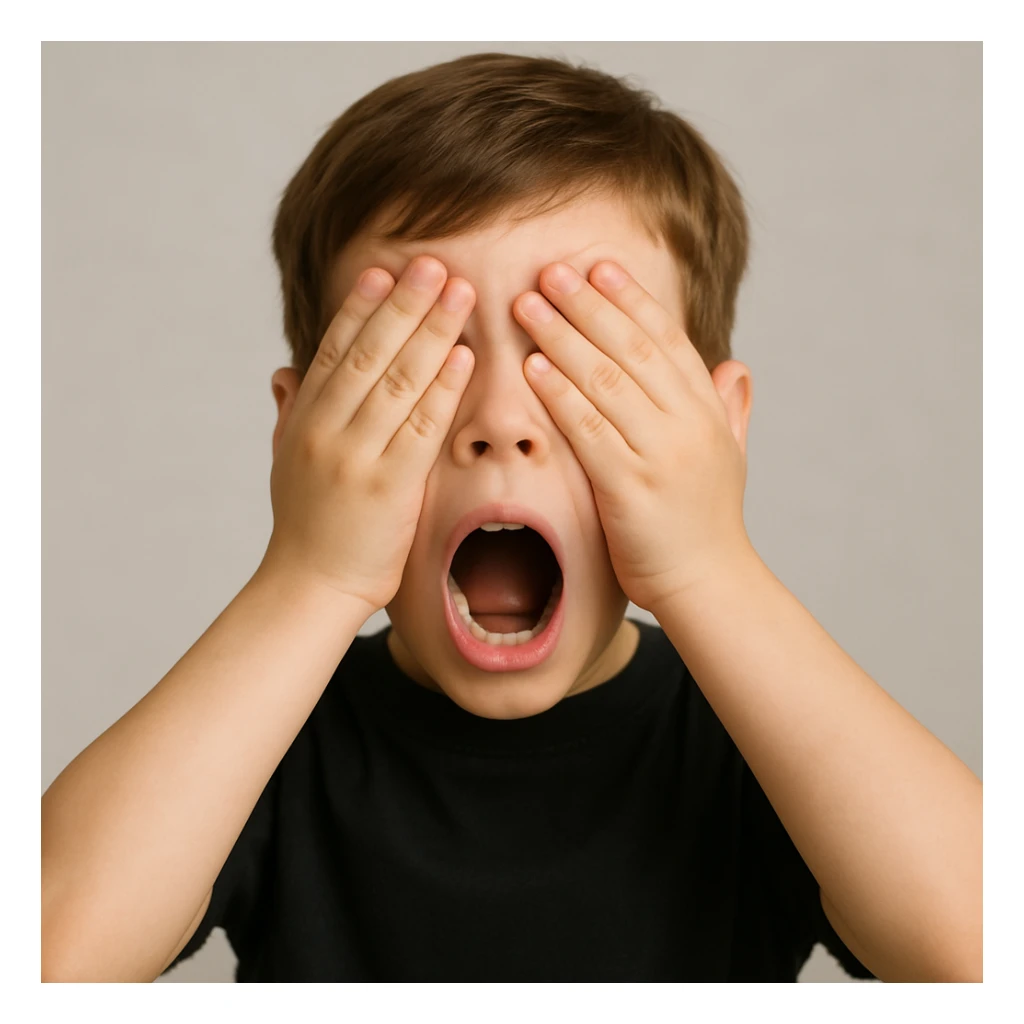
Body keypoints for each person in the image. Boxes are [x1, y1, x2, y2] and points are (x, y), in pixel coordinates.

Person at [40, 51, 982, 982]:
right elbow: (46, 956)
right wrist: (310, 576)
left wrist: (711, 568)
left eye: (579, 361)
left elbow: (979, 952)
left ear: (718, 434)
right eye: (421, 356)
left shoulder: (763, 737)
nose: (498, 422)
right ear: (300, 442)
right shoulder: (268, 736)